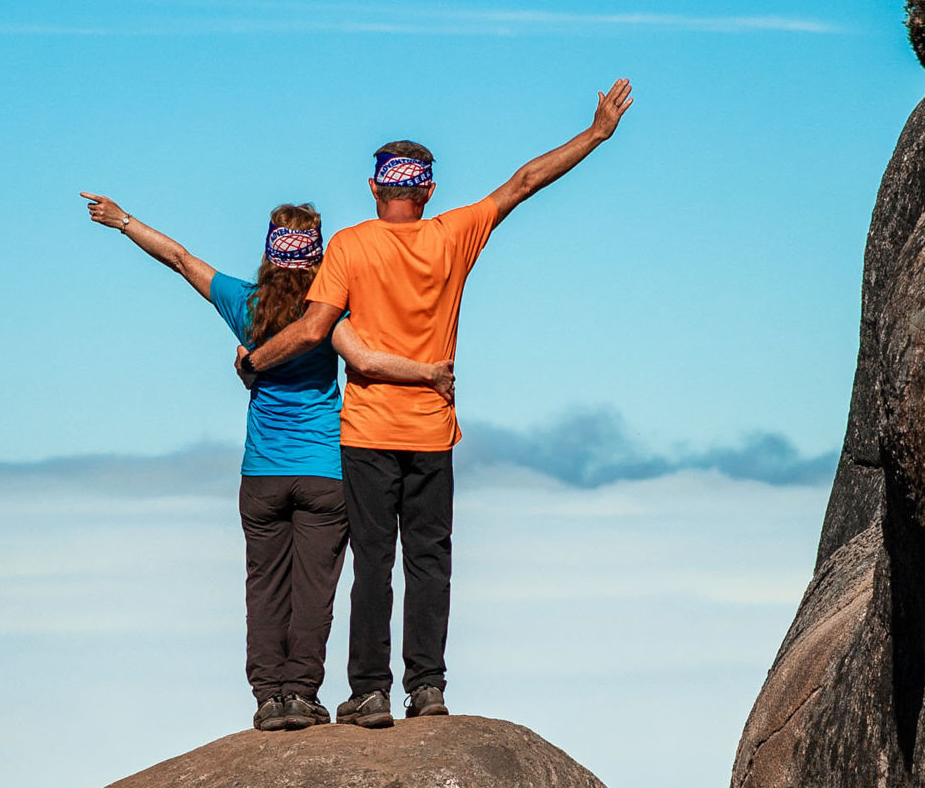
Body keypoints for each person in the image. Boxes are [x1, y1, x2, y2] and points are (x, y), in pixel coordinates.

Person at [243, 82, 632, 726]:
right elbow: (524, 181)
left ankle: (368, 691)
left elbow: (314, 330)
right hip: (430, 431)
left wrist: (254, 361)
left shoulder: (348, 245)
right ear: (427, 189)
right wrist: (596, 134)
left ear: (375, 188)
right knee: (429, 563)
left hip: (366, 432)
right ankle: (426, 688)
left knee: (373, 565)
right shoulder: (453, 234)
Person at [80, 191, 454, 730]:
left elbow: (181, 258)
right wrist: (428, 374)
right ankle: (301, 694)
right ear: (319, 256)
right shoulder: (329, 313)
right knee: (314, 590)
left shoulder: (245, 303)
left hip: (262, 473)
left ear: (269, 253)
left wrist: (123, 221)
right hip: (325, 471)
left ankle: (267, 698)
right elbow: (368, 360)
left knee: (265, 586)